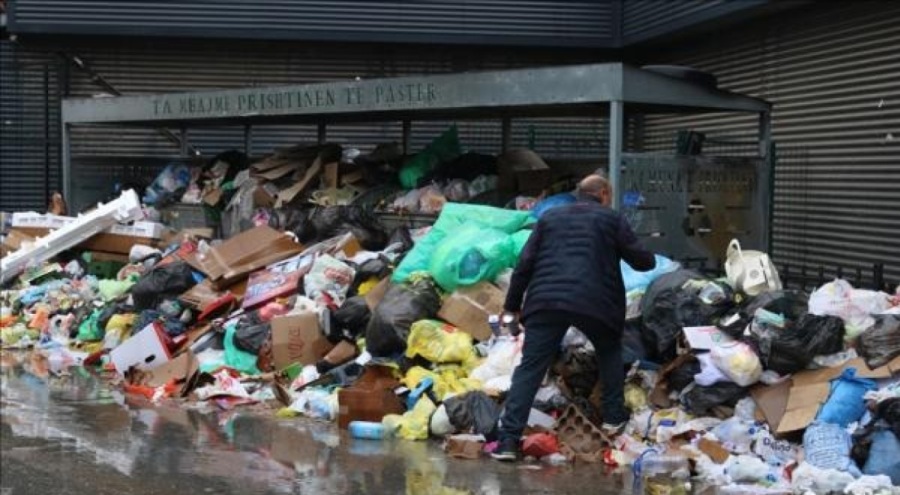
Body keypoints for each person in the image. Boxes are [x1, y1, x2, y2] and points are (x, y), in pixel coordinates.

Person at [491, 174, 656, 461]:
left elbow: (524, 264)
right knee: (609, 352)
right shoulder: (611, 219)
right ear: (603, 194)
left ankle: (507, 441)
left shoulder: (549, 218)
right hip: (596, 302)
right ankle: (613, 419)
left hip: (546, 301)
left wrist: (511, 306)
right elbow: (644, 262)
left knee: (530, 368)